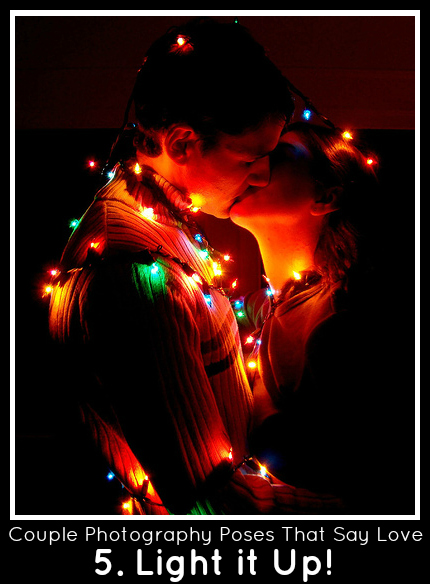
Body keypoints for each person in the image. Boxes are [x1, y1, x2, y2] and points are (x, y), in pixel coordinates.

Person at [48, 19, 344, 514]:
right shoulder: (133, 274)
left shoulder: (168, 222)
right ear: (183, 143)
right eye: (252, 156)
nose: (264, 173)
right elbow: (210, 503)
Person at [230, 121, 412, 514]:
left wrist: (261, 400)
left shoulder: (344, 321)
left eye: (278, 155)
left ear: (326, 196)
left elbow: (352, 471)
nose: (255, 166)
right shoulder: (275, 303)